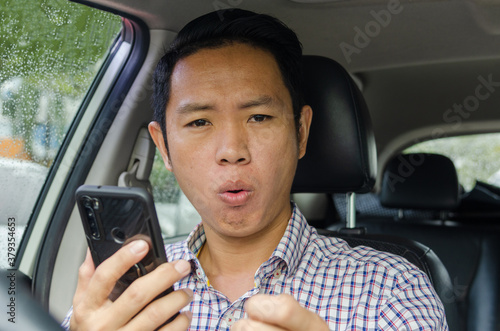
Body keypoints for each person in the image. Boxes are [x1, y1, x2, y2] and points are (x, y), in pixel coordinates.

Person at [64, 9, 448, 331]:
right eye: (199, 122)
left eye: (259, 117)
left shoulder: (392, 289)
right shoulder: (125, 291)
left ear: (300, 133)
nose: (232, 151)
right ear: (163, 146)